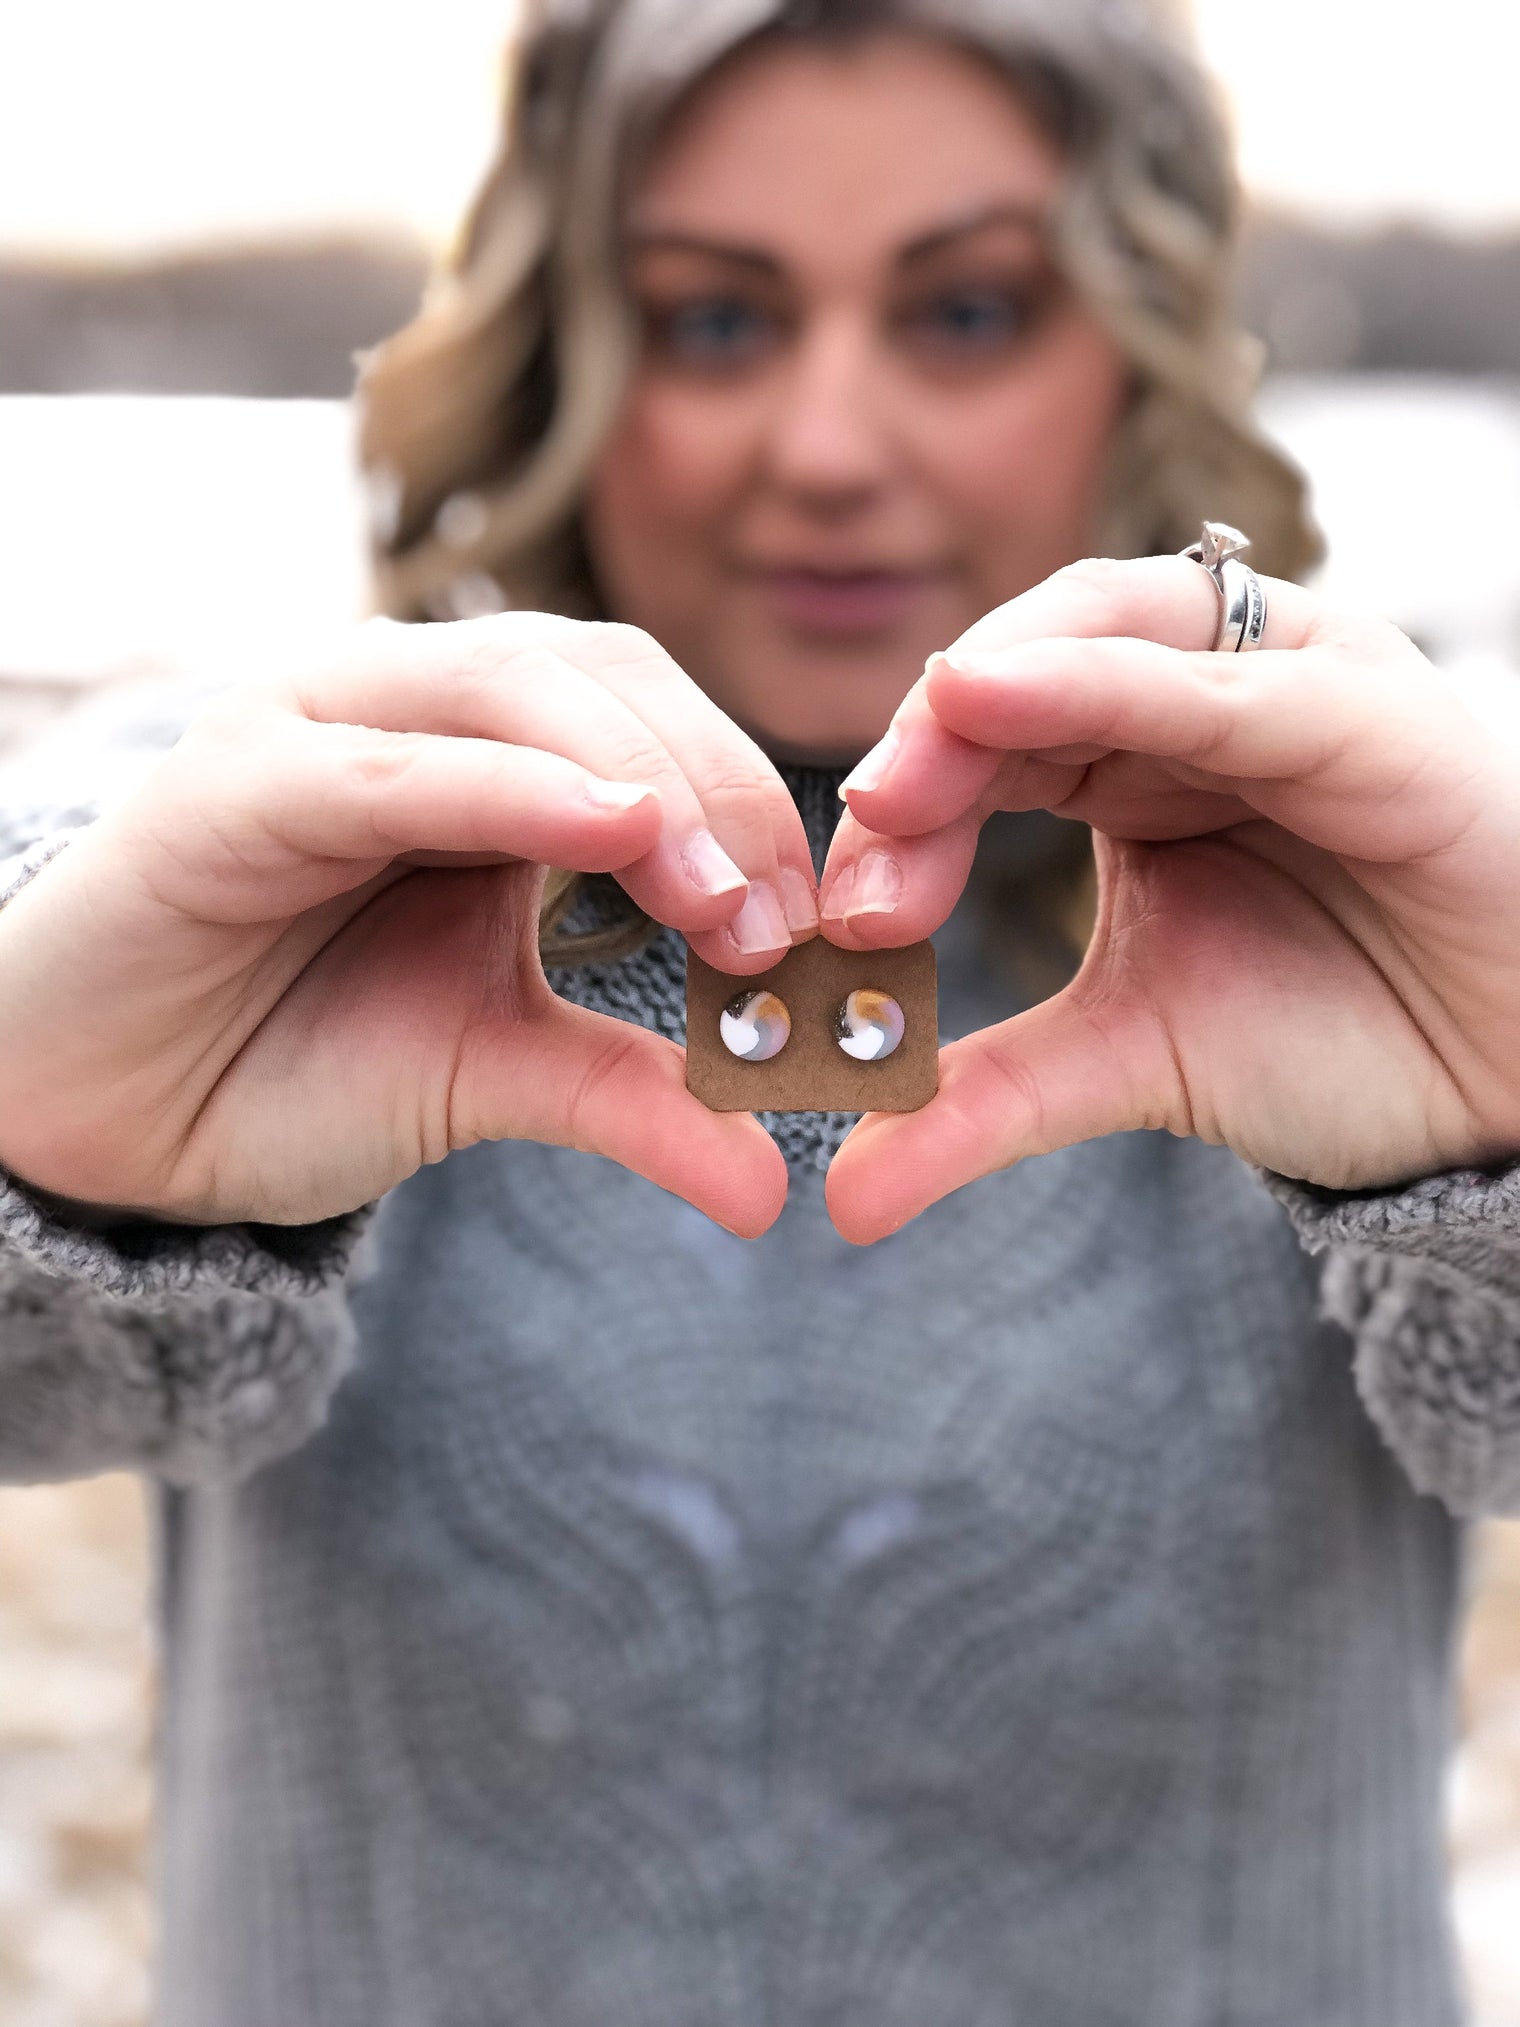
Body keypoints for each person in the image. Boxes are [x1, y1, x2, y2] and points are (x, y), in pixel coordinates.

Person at [1, 1, 1517, 2020]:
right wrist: (55, 1151)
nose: (827, 450)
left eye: (966, 313)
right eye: (715, 322)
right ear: (566, 355)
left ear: (1128, 343)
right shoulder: (268, 858)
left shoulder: (1381, 891)